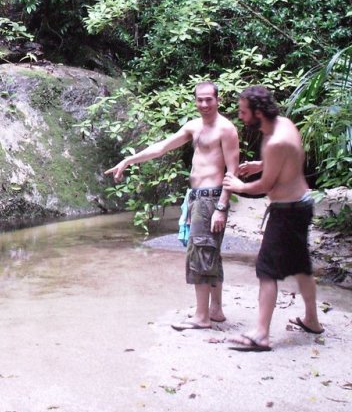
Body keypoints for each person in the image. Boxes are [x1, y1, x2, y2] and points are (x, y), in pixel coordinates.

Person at [105, 82, 240, 330]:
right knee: (211, 252)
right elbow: (162, 147)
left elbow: (232, 172)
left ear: (218, 100)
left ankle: (201, 318)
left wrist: (221, 207)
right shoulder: (193, 127)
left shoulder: (226, 129)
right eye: (200, 100)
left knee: (201, 251)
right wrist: (129, 159)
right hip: (197, 196)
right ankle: (216, 310)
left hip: (212, 197)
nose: (204, 104)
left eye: (209, 99)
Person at [222, 85, 323, 352]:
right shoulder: (284, 125)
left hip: (287, 212)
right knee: (302, 266)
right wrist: (260, 164)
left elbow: (266, 186)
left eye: (244, 112)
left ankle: (262, 335)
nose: (241, 117)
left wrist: (238, 186)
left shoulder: (275, 141)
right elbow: (287, 162)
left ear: (257, 112)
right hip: (300, 205)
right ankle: (312, 319)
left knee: (266, 271)